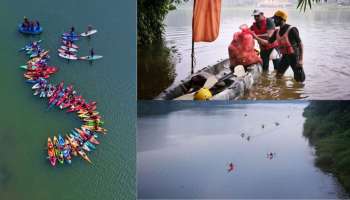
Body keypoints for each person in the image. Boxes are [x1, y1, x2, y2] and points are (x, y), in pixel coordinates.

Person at [252, 10, 305, 82]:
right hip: (285, 57)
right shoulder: (277, 31)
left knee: (299, 80)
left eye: (275, 19)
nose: (273, 21)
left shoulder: (292, 29)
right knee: (278, 76)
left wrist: (301, 60)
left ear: (282, 19)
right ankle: (281, 90)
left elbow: (300, 44)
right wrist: (256, 38)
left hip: (294, 57)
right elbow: (268, 42)